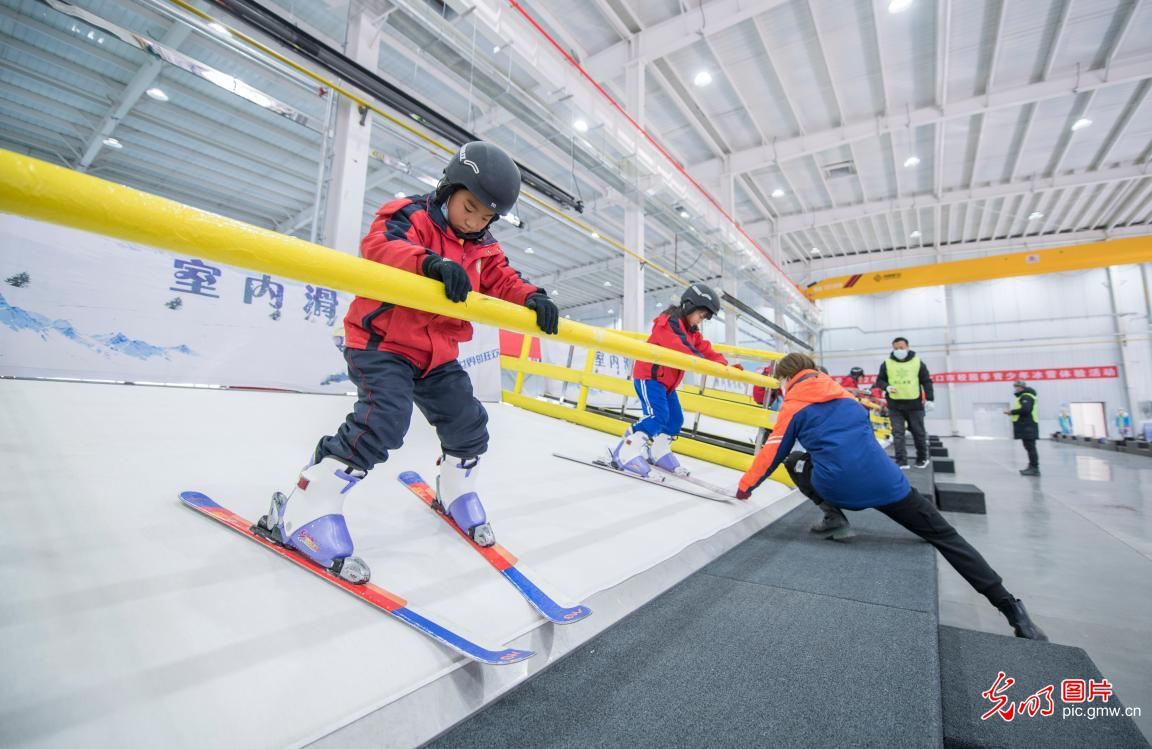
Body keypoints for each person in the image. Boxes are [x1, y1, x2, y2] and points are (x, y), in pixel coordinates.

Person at [253, 142, 560, 583]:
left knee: (469, 422)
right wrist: (429, 264)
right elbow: (379, 246)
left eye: (485, 217)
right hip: (382, 342)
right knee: (385, 419)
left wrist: (532, 297)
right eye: (469, 208)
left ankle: (455, 490)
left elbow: (503, 279)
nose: (474, 222)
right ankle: (304, 506)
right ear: (449, 188)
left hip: (436, 353)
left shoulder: (483, 247)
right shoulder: (408, 214)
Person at [735, 353, 1048, 641]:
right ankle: (1013, 610)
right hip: (889, 486)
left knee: (795, 462)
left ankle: (833, 514)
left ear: (787, 379)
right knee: (946, 537)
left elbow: (773, 453)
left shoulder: (793, 406)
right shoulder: (847, 397)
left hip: (839, 487)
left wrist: (745, 488)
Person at [612, 284, 737, 477]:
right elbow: (682, 348)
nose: (701, 321)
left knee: (675, 419)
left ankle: (658, 452)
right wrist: (708, 364)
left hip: (666, 384)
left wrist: (723, 365)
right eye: (701, 315)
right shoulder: (668, 323)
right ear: (689, 305)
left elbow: (703, 348)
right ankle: (625, 451)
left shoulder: (692, 331)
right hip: (650, 378)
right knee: (657, 416)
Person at [874, 337, 935, 469]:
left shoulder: (917, 362)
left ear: (907, 347)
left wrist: (930, 399)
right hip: (895, 405)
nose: (898, 350)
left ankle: (922, 458)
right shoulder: (887, 363)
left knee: (918, 433)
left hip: (915, 405)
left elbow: (926, 381)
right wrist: (886, 387)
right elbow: (879, 380)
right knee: (898, 433)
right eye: (896, 348)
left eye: (901, 348)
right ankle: (901, 460)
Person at [1006, 380, 1040, 476]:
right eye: (1015, 387)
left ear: (1022, 388)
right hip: (1027, 425)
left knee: (1030, 447)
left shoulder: (1026, 396)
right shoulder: (1024, 396)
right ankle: (1032, 466)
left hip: (1028, 426)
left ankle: (1034, 468)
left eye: (1017, 387)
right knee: (1029, 447)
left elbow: (1026, 410)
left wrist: (1012, 412)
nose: (1016, 389)